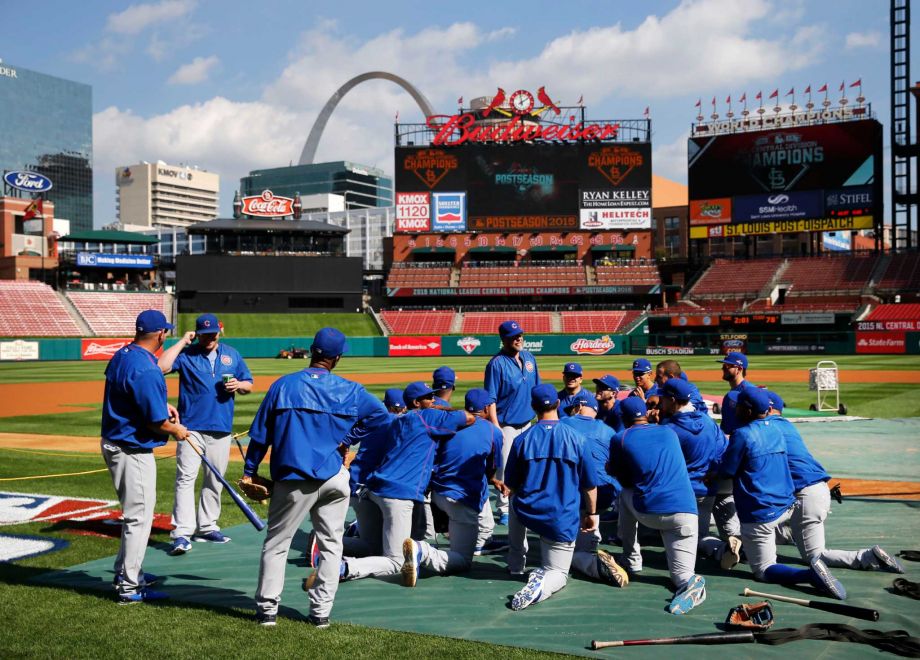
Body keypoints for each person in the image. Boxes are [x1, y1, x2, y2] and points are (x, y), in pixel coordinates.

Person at [243, 327, 389, 627]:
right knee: (332, 545)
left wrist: (250, 471)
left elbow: (259, 436)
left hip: (295, 479)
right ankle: (321, 613)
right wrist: (348, 437)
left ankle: (268, 610)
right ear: (337, 358)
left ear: (312, 350)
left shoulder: (283, 385)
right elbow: (382, 417)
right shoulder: (350, 389)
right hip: (335, 476)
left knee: (277, 543)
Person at [335, 382, 474, 582]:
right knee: (395, 561)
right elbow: (469, 418)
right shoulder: (428, 416)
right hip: (398, 494)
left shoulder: (398, 420)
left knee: (374, 545)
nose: (433, 400)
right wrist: (440, 408)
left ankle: (327, 543)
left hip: (375, 488)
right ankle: (344, 568)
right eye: (429, 397)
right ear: (417, 402)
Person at [717, 387, 847, 600]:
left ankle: (810, 575)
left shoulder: (742, 434)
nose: (736, 408)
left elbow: (728, 471)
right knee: (768, 537)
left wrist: (712, 473)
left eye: (739, 405)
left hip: (759, 512)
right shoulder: (777, 429)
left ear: (748, 411)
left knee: (763, 570)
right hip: (784, 506)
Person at [101, 309, 189, 604]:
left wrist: (162, 405)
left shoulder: (124, 354)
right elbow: (155, 422)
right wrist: (176, 430)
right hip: (131, 449)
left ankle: (125, 572)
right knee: (139, 518)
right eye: (166, 331)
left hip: (117, 442)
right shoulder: (146, 368)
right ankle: (129, 586)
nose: (167, 334)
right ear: (160, 334)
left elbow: (130, 395)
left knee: (135, 516)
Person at [763, 391, 903, 574]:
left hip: (806, 496)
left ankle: (868, 557)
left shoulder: (767, 428)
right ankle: (789, 532)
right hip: (816, 490)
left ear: (769, 408)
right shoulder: (786, 426)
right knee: (778, 528)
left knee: (815, 556)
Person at [158, 313, 253, 555]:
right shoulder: (187, 355)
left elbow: (249, 383)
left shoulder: (232, 355)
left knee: (215, 479)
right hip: (190, 428)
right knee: (186, 478)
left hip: (220, 427)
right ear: (197, 333)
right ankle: (181, 532)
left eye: (212, 333)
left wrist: (239, 386)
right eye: (204, 333)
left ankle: (208, 526)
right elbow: (162, 367)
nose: (209, 338)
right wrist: (181, 342)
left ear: (219, 332)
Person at [504, 384, 600, 610]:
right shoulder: (576, 439)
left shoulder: (522, 439)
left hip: (527, 510)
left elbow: (511, 485)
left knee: (513, 503)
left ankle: (516, 565)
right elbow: (589, 486)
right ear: (558, 404)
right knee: (558, 573)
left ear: (533, 407)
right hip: (560, 516)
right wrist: (592, 513)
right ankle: (542, 583)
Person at [609, 397, 706, 615]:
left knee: (625, 494)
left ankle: (632, 559)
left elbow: (621, 477)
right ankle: (689, 583)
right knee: (681, 576)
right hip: (686, 512)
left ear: (623, 418)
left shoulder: (621, 437)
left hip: (649, 512)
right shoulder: (669, 432)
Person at [401, 388, 504, 586]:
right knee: (463, 561)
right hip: (461, 500)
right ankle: (422, 551)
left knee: (460, 530)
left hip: (437, 493)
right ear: (486, 408)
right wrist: (493, 479)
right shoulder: (493, 431)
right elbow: (492, 467)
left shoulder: (452, 422)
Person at [657, 379, 742, 569]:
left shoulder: (670, 430)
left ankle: (721, 549)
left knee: (689, 537)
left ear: (672, 400)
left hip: (683, 492)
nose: (661, 402)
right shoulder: (708, 422)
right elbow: (723, 451)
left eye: (663, 398)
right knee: (700, 533)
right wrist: (714, 472)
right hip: (708, 489)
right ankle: (733, 547)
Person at [559, 391, 628, 586]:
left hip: (572, 496)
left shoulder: (563, 424)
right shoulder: (609, 431)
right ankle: (597, 545)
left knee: (564, 554)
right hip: (607, 495)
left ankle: (590, 559)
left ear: (578, 407)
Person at [330, 388, 406, 561]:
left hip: (355, 482)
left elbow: (347, 439)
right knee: (378, 548)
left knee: (375, 537)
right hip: (371, 488)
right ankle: (330, 543)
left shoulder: (373, 419)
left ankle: (352, 531)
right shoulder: (401, 424)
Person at [484, 320, 540, 525]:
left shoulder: (529, 357)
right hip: (506, 425)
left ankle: (524, 501)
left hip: (528, 422)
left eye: (520, 335)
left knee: (528, 464)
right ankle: (504, 508)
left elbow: (537, 388)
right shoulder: (496, 364)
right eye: (513, 336)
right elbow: (490, 398)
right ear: (503, 339)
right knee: (505, 467)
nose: (518, 338)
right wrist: (496, 426)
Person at [718, 352, 752, 435]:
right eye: (723, 365)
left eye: (728, 366)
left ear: (739, 369)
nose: (723, 368)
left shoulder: (747, 392)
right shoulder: (735, 390)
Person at [629, 358, 660, 422]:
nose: (637, 377)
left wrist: (642, 401)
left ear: (650, 374)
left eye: (640, 373)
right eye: (635, 373)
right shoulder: (633, 394)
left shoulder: (659, 392)